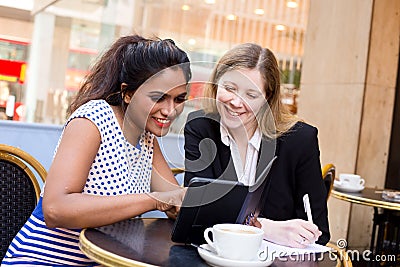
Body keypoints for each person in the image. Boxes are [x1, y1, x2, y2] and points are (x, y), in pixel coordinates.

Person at [1, 34, 191, 266]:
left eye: (179, 99)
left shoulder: (148, 136)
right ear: (128, 93)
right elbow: (55, 209)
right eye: (158, 98)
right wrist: (154, 200)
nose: (170, 110)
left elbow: (175, 202)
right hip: (41, 260)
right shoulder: (93, 120)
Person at [184, 43, 330, 248]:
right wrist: (262, 227)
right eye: (230, 88)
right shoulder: (200, 127)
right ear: (217, 84)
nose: (236, 102)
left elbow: (319, 231)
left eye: (251, 95)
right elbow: (197, 216)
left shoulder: (300, 140)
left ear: (267, 98)